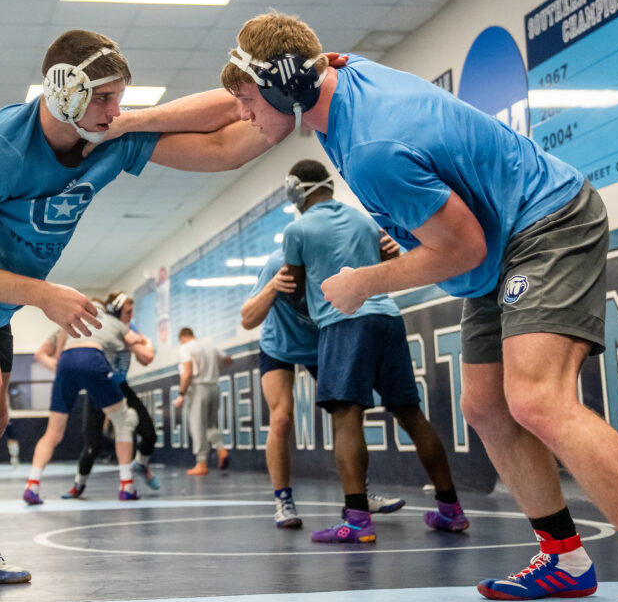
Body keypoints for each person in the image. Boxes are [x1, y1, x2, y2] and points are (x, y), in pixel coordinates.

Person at [218, 11, 618, 602]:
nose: (241, 115)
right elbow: (219, 105)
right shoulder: (337, 76)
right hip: (497, 243)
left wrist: (363, 282)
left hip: (543, 224)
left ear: (282, 88)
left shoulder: (373, 145)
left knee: (539, 400)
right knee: (486, 407)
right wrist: (128, 124)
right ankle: (564, 559)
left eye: (248, 100)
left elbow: (463, 249)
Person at [0, 27, 271, 602]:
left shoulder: (112, 135)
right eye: (104, 99)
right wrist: (43, 296)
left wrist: (293, 94)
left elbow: (227, 144)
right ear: (63, 90)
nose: (114, 112)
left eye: (121, 98)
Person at [275, 159, 468, 543]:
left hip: (343, 322)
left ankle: (357, 519)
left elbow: (292, 288)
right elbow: (384, 262)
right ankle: (451, 510)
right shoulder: (363, 220)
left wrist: (307, 305)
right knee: (411, 414)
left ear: (297, 190)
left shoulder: (296, 230)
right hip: (387, 318)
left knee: (346, 418)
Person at [241, 248, 409, 529]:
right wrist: (272, 287)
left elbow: (375, 272)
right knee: (281, 419)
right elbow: (247, 319)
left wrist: (388, 254)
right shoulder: (277, 265)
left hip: (320, 341)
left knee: (348, 413)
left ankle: (359, 494)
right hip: (279, 345)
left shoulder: (338, 257)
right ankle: (283, 500)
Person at [25, 294, 155, 503]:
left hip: (67, 364)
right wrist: (145, 340)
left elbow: (49, 355)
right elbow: (146, 355)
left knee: (53, 432)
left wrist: (64, 370)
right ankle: (127, 486)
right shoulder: (114, 323)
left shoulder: (70, 321)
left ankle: (32, 485)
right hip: (95, 364)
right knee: (125, 421)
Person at [60, 292, 161, 499]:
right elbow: (147, 354)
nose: (131, 316)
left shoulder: (128, 329)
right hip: (98, 386)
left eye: (132, 311)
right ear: (115, 311)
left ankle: (141, 464)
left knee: (149, 434)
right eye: (127, 311)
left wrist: (142, 340)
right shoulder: (111, 327)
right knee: (92, 445)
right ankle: (79, 484)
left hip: (120, 385)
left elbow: (145, 360)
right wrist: (147, 341)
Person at [174, 328, 231, 475]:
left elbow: (187, 373)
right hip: (214, 387)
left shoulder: (186, 348)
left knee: (197, 426)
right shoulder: (210, 345)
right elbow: (227, 359)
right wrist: (214, 366)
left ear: (182, 338)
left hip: (198, 388)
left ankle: (201, 463)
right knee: (211, 425)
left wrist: (181, 394)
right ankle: (221, 449)